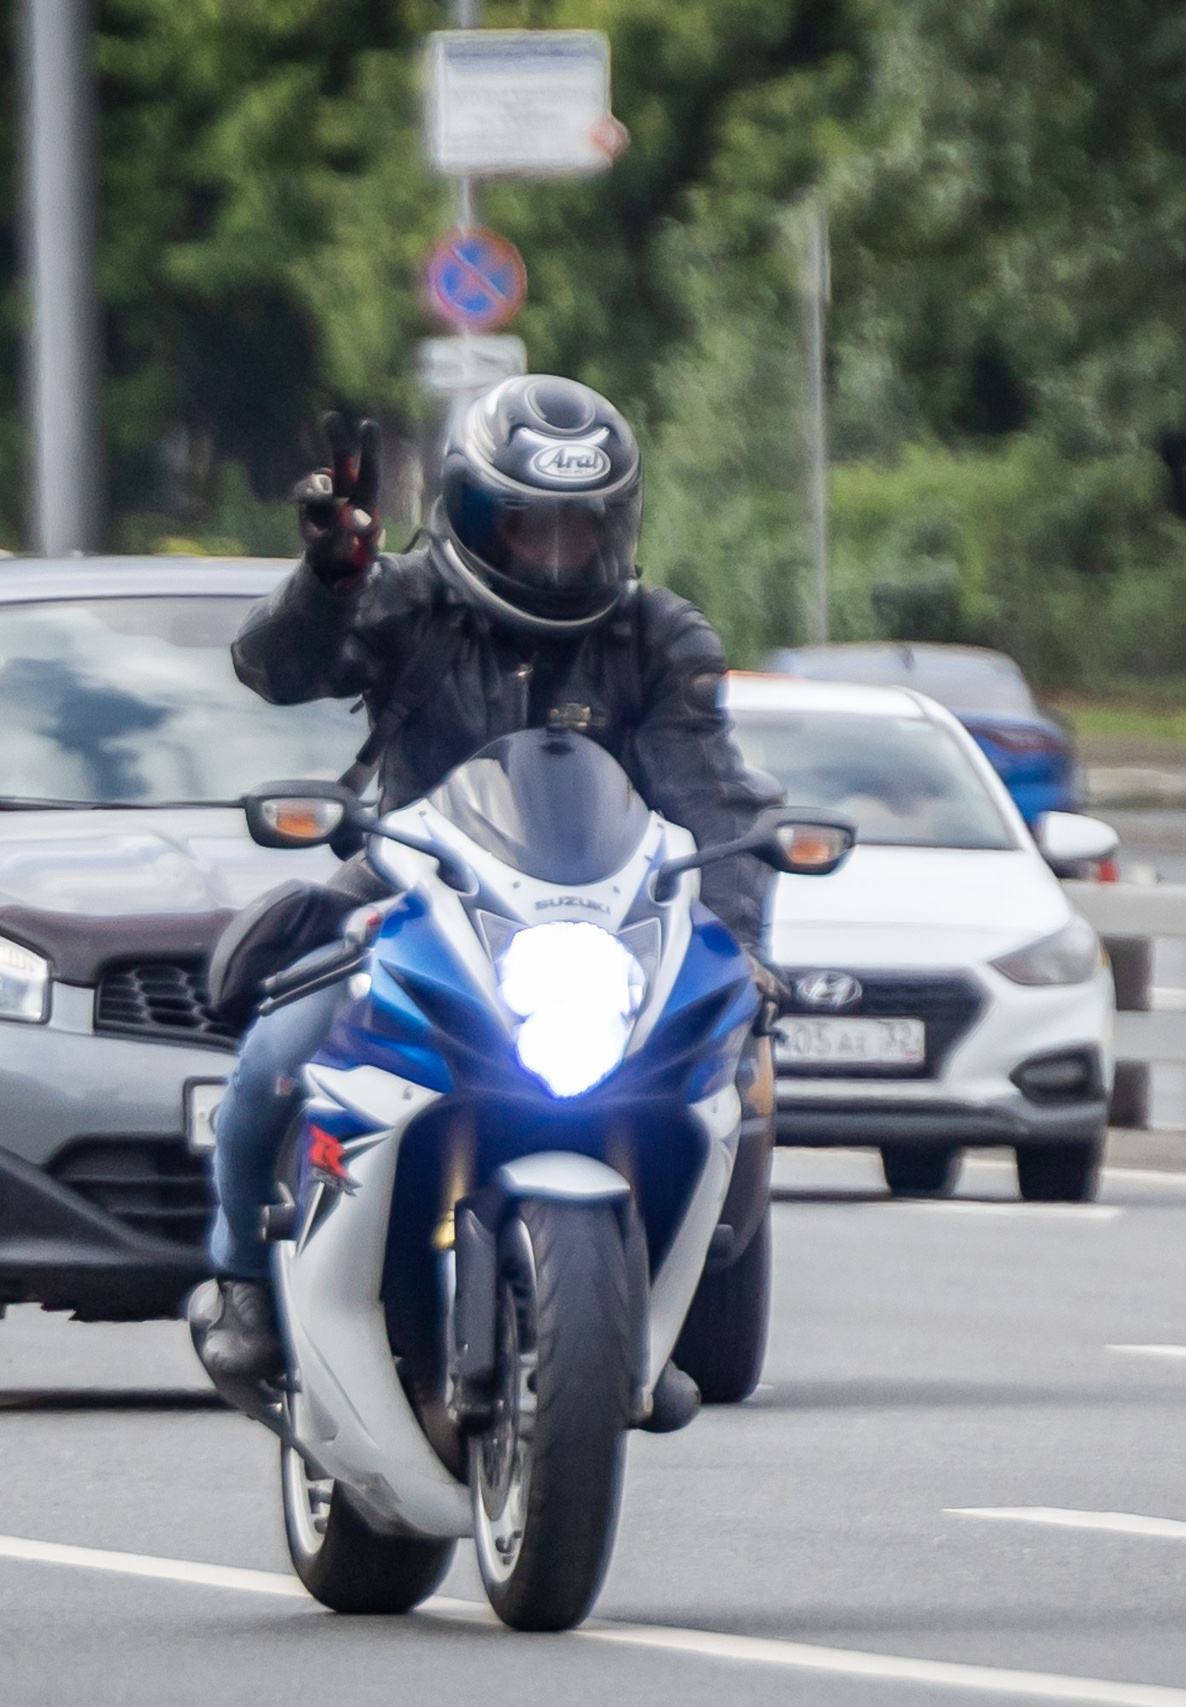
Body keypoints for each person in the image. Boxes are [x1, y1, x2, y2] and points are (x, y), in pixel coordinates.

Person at [191, 374, 777, 1395]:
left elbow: (714, 802)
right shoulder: (408, 600)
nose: (555, 554)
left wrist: (743, 944)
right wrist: (326, 579)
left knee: (716, 1069)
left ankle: (650, 1312)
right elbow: (272, 667)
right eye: (525, 529)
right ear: (465, 515)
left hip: (599, 913)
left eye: (580, 531)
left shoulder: (658, 635)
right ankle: (242, 1275)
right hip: (408, 888)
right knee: (278, 1052)